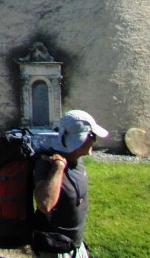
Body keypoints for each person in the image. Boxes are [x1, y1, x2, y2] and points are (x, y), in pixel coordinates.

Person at [33, 110, 109, 258]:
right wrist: (58, 167)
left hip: (76, 246)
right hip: (55, 250)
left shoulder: (77, 160)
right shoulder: (46, 162)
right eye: (92, 136)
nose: (95, 140)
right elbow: (45, 204)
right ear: (80, 138)